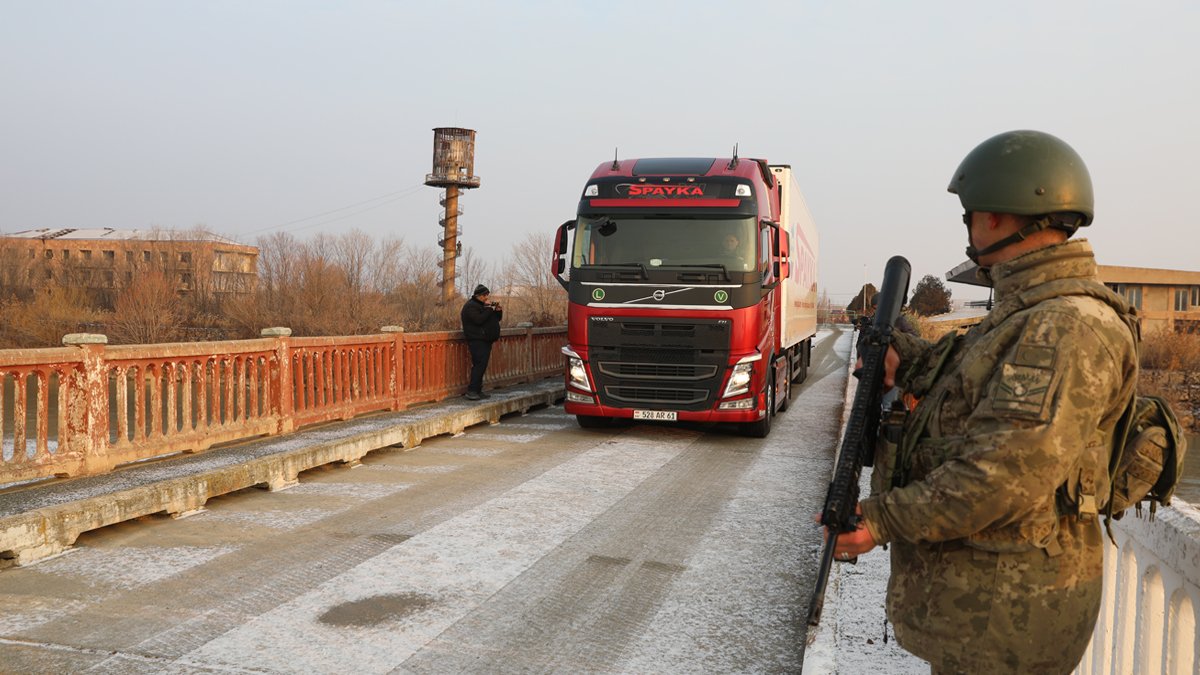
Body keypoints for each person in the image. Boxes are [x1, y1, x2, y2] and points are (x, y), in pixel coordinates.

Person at [831, 130, 1139, 673]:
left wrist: (878, 521)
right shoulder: (1026, 312)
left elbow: (1003, 476)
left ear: (996, 215)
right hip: (987, 608)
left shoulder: (1062, 326)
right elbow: (965, 379)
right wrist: (903, 354)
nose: (969, 229)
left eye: (970, 215)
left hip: (1007, 620)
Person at [460, 284, 503, 400]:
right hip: (477, 340)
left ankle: (478, 390)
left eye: (487, 295)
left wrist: (498, 311)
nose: (486, 298)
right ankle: (472, 391)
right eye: (484, 295)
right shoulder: (470, 306)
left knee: (482, 366)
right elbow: (479, 320)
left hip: (485, 339)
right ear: (478, 295)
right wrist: (489, 308)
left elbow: (495, 319)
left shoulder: (482, 306)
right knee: (479, 365)